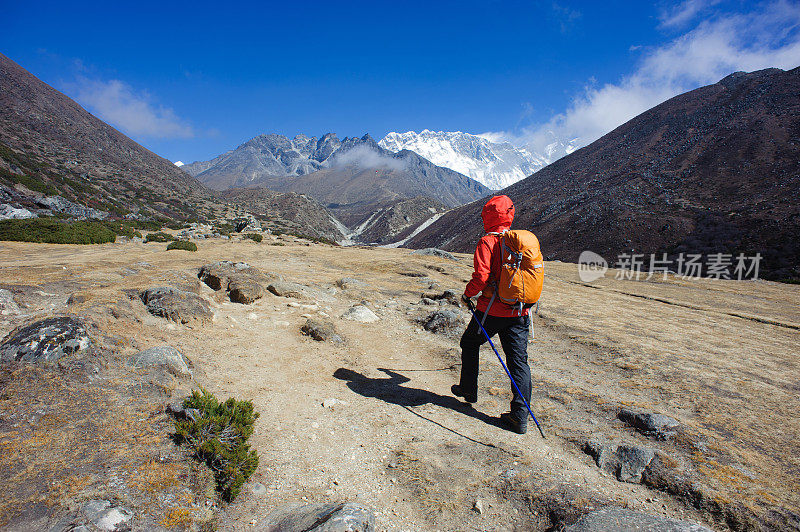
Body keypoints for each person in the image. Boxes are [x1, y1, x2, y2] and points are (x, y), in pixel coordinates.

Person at [452, 195, 532, 434]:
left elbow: (481, 277)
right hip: (520, 311)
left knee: (469, 342)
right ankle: (520, 416)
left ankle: (468, 390)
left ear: (488, 216)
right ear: (509, 214)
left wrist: (467, 294)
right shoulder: (521, 241)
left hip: (491, 311)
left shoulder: (487, 241)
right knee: (518, 362)